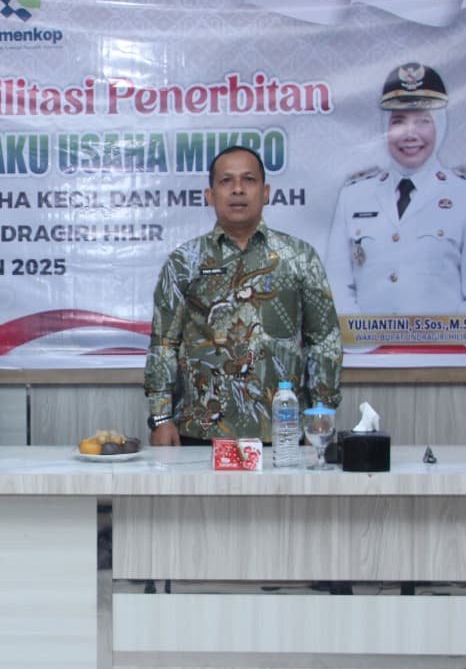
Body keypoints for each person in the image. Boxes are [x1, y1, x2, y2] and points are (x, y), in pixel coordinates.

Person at [145, 146, 342, 446]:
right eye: (226, 181)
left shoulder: (299, 258)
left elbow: (324, 341)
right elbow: (164, 344)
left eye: (248, 180)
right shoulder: (184, 262)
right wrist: (161, 418)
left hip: (283, 430)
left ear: (266, 192)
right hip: (200, 431)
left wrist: (322, 412)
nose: (237, 189)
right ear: (210, 195)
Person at [326, 62, 466, 315]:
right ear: (385, 128)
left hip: (443, 341)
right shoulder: (353, 196)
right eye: (398, 121)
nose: (410, 134)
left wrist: (438, 339)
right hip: (363, 340)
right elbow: (335, 289)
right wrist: (363, 337)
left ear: (440, 126)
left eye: (423, 121)